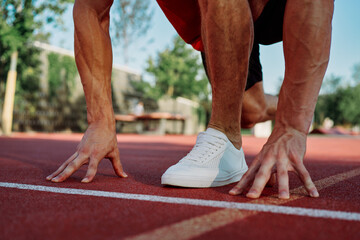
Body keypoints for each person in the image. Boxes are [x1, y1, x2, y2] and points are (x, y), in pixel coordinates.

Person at [46, 0, 334, 200]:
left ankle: (224, 139)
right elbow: (90, 10)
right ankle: (274, 106)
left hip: (278, 7)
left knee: (244, 119)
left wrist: (292, 125)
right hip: (216, 16)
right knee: (248, 111)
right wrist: (100, 122)